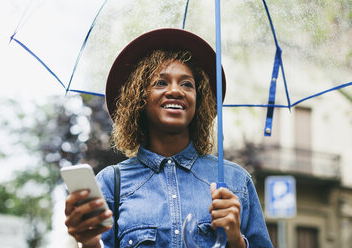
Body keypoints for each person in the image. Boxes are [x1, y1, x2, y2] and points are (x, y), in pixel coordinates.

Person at [64, 28, 273, 248]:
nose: (175, 91)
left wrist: (236, 240)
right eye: (161, 83)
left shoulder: (236, 182)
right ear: (139, 99)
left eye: (187, 84)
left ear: (198, 101)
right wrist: (88, 242)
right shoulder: (111, 184)